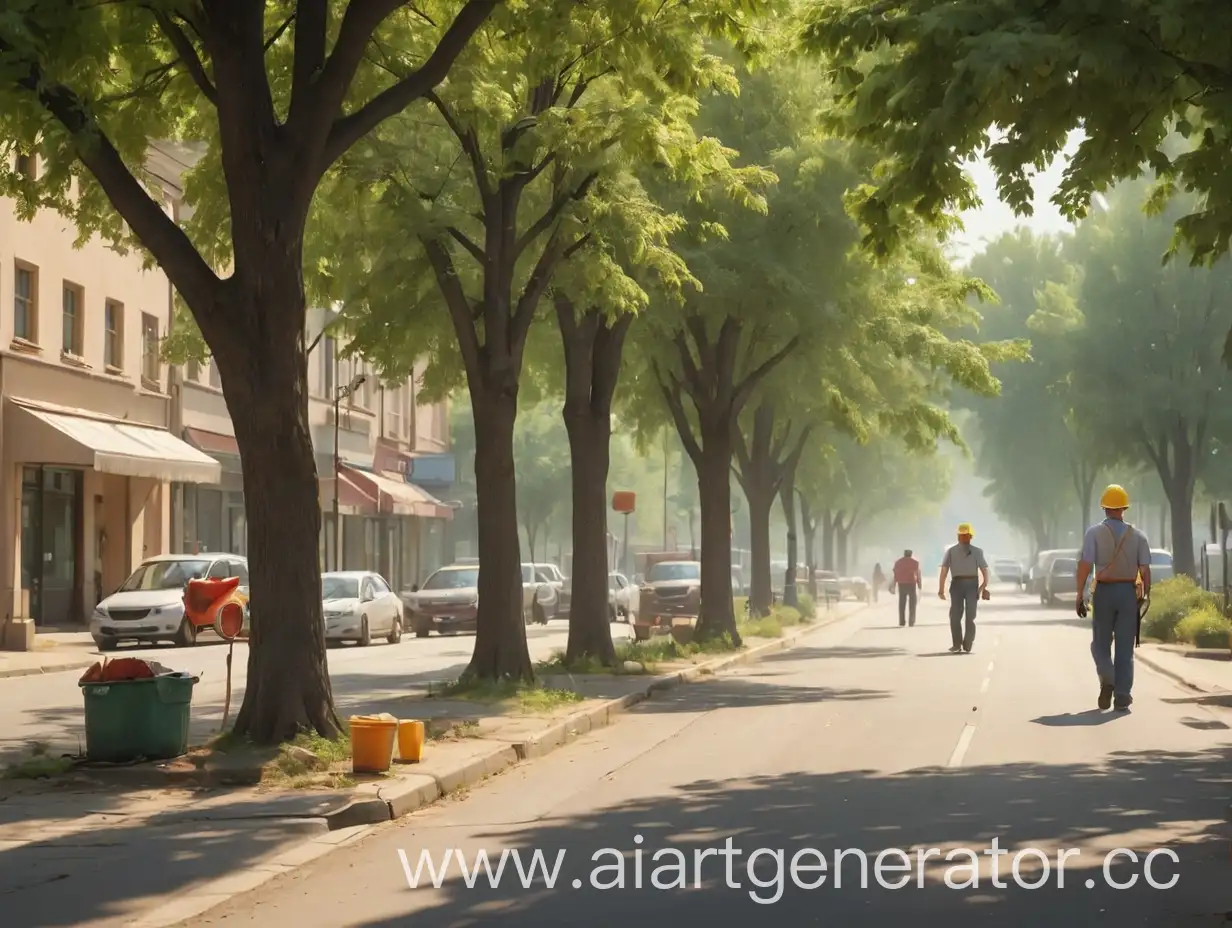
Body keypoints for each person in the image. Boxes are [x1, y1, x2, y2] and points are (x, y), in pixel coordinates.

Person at [1076, 484, 1151, 711]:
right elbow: (1145, 570)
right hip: (1128, 593)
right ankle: (1122, 695)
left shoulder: (1093, 533)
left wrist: (1079, 594)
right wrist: (1144, 595)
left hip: (1104, 592)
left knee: (1100, 643)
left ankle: (1107, 677)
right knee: (1125, 647)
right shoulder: (1138, 536)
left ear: (1105, 508)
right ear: (1124, 508)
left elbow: (1085, 566)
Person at [938, 522, 989, 653]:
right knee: (955, 615)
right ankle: (956, 644)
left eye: (966, 536)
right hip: (956, 584)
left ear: (970, 537)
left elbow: (984, 570)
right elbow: (944, 570)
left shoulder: (977, 552)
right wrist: (941, 588)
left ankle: (968, 643)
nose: (964, 538)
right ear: (958, 537)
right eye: (962, 536)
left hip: (972, 584)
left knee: (970, 615)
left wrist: (983, 586)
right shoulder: (951, 551)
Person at [892, 549, 922, 626]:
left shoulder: (898, 562)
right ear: (911, 554)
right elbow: (918, 574)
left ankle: (902, 622)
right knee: (912, 604)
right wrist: (919, 584)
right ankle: (911, 621)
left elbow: (895, 574)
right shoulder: (915, 563)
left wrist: (894, 584)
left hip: (901, 584)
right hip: (911, 584)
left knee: (901, 604)